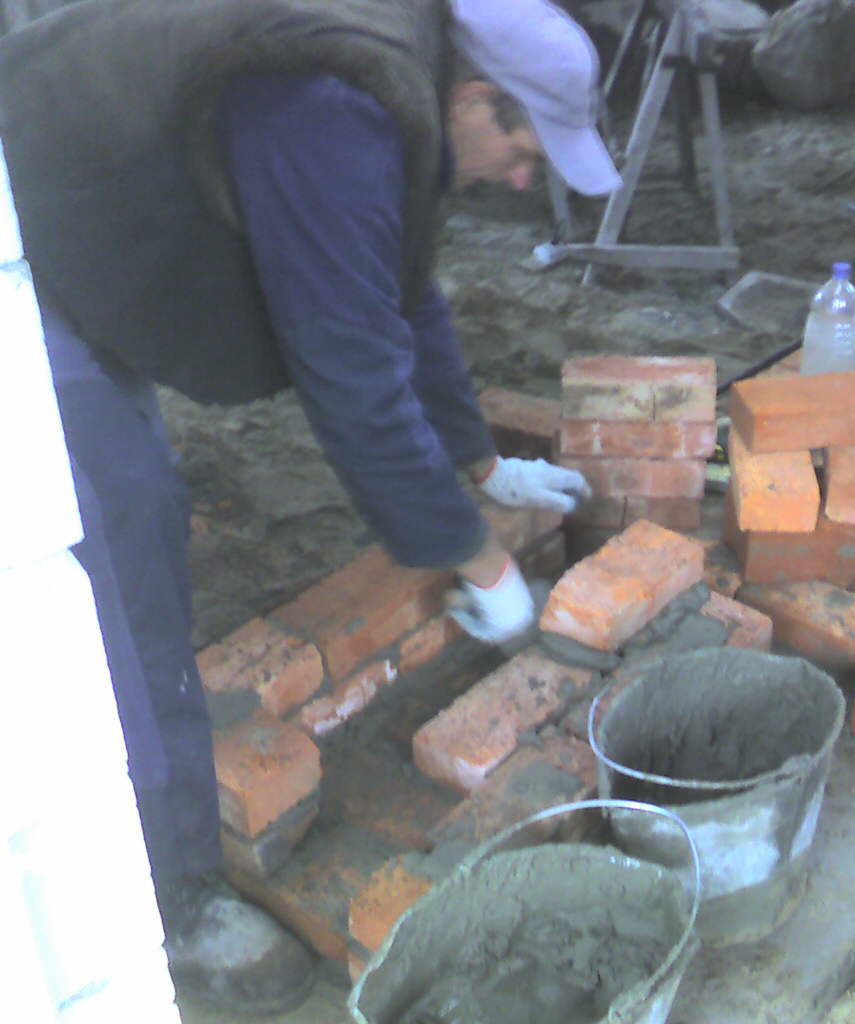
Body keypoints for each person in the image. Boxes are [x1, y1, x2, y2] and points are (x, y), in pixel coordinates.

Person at [0, 0, 620, 1014]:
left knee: (134, 493)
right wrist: (479, 560)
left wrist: (481, 465)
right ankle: (177, 892)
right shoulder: (330, 105)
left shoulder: (403, 79)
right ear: (476, 97)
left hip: (92, 221)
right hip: (20, 226)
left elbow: (401, 291)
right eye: (522, 151)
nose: (521, 180)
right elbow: (352, 379)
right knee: (117, 551)